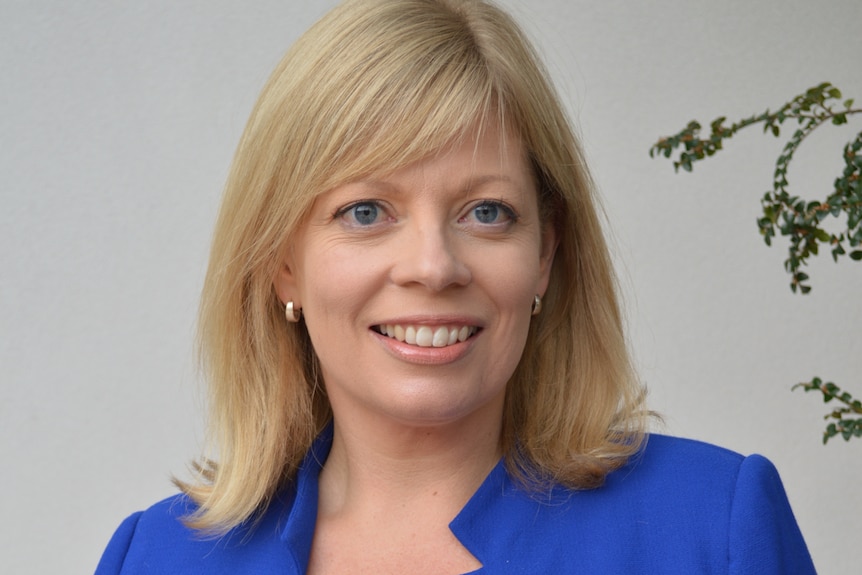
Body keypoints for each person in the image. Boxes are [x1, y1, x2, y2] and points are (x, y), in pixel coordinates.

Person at [96, 0, 816, 573]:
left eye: (487, 212)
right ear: (283, 262)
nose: (434, 265)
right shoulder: (154, 559)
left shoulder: (711, 531)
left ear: (545, 253)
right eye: (366, 211)